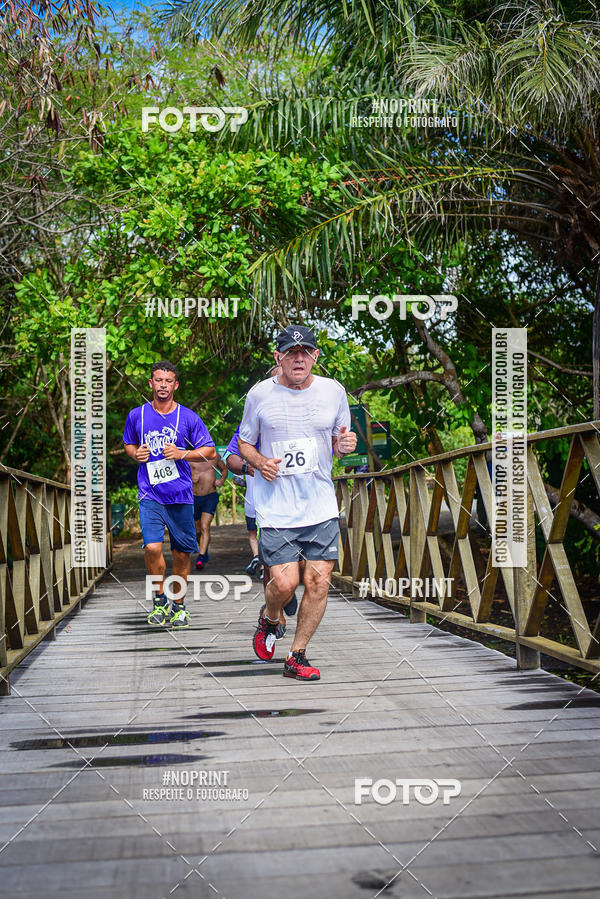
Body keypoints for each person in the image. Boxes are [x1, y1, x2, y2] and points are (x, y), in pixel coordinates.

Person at [238, 325, 357, 681]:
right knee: (286, 584)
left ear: (316, 356)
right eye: (291, 352)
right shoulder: (259, 395)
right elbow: (244, 443)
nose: (299, 358)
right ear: (279, 357)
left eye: (305, 352)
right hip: (276, 508)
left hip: (320, 505)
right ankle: (270, 618)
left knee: (319, 582)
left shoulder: (333, 391)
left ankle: (297, 655)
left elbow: (339, 442)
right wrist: (260, 463)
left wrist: (344, 446)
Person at [123, 361, 216, 628]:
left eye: (168, 381)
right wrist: (135, 454)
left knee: (182, 554)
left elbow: (209, 451)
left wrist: (182, 454)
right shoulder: (137, 415)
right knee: (152, 547)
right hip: (150, 494)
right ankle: (159, 599)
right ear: (150, 383)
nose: (163, 385)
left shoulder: (188, 417)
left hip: (180, 495)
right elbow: (129, 443)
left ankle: (178, 605)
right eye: (158, 380)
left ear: (175, 385)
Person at [224, 423, 299, 638]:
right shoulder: (253, 420)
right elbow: (230, 455)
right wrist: (252, 468)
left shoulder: (305, 413)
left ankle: (285, 593)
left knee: (302, 563)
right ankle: (276, 617)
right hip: (266, 506)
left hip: (302, 504)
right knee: (270, 563)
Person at [190, 452, 227, 569]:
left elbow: (224, 469)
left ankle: (201, 557)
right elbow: (180, 474)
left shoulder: (214, 457)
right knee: (197, 531)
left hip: (210, 496)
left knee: (204, 526)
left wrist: (221, 480)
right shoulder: (189, 457)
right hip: (194, 497)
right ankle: (204, 550)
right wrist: (190, 478)